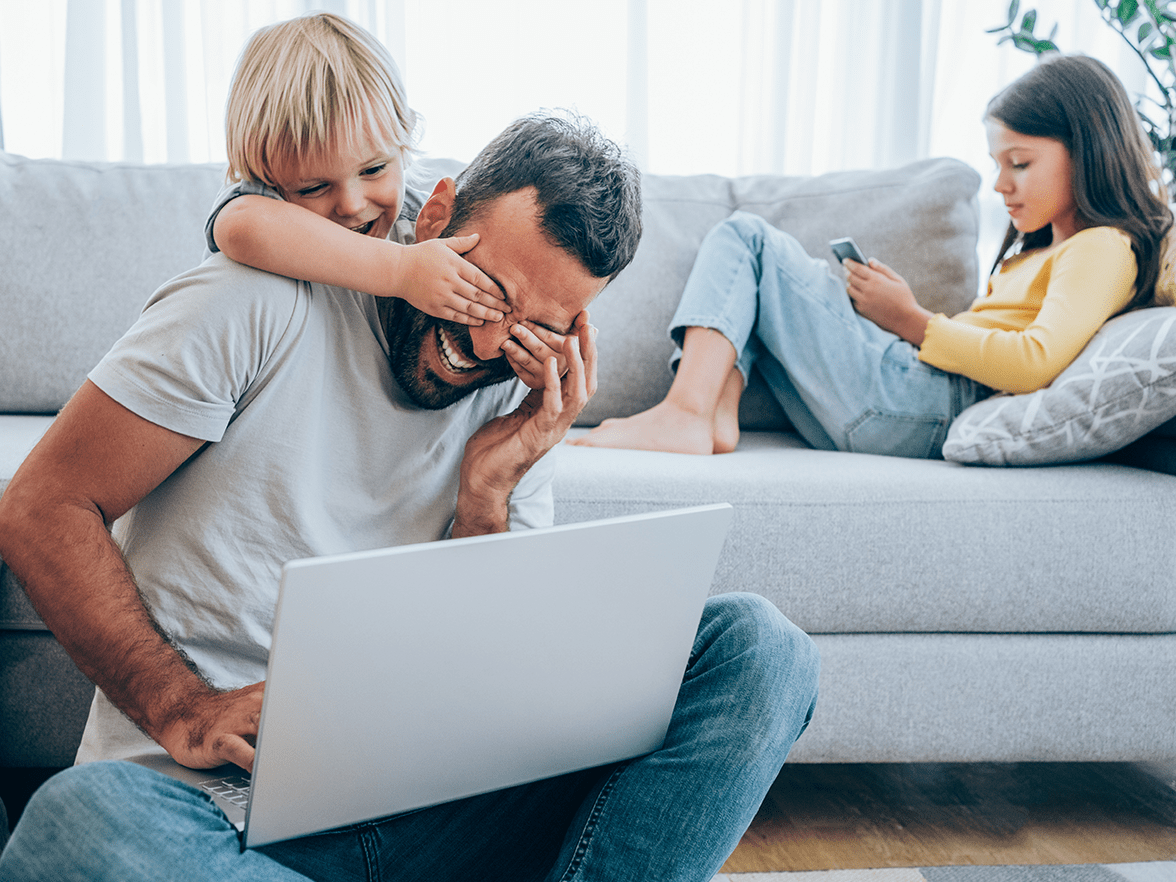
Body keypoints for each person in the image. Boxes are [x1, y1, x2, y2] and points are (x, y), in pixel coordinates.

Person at [0, 76, 819, 882]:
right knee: (80, 825)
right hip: (218, 818)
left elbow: (486, 685)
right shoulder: (249, 304)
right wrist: (182, 708)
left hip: (431, 818)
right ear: (435, 217)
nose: (492, 342)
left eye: (538, 325)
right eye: (488, 291)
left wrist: (488, 493)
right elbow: (41, 505)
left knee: (760, 650)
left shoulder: (515, 405)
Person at [569, 54, 1174, 458]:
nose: (1001, 185)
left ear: (1088, 149)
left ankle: (687, 409)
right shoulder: (1045, 250)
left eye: (1020, 163)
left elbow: (1035, 361)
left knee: (747, 239)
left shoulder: (1102, 247)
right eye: (997, 165)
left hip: (927, 402)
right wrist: (897, 316)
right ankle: (711, 412)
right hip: (914, 393)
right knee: (762, 272)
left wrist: (910, 319)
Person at [210, 12, 511, 335]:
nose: (352, 205)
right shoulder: (258, 206)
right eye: (313, 188)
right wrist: (400, 270)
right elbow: (240, 227)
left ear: (404, 143)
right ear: (265, 178)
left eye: (373, 169)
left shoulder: (417, 219)